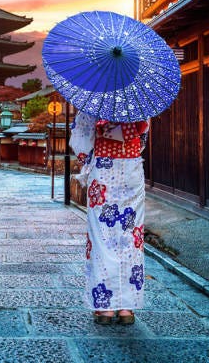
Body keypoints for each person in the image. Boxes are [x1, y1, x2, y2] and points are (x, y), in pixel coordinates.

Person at [69, 111, 149, 325]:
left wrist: (88, 161)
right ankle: (126, 308)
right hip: (131, 168)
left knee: (102, 238)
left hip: (104, 169)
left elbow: (80, 139)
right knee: (131, 236)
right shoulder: (139, 101)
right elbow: (142, 140)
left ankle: (104, 308)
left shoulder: (95, 100)